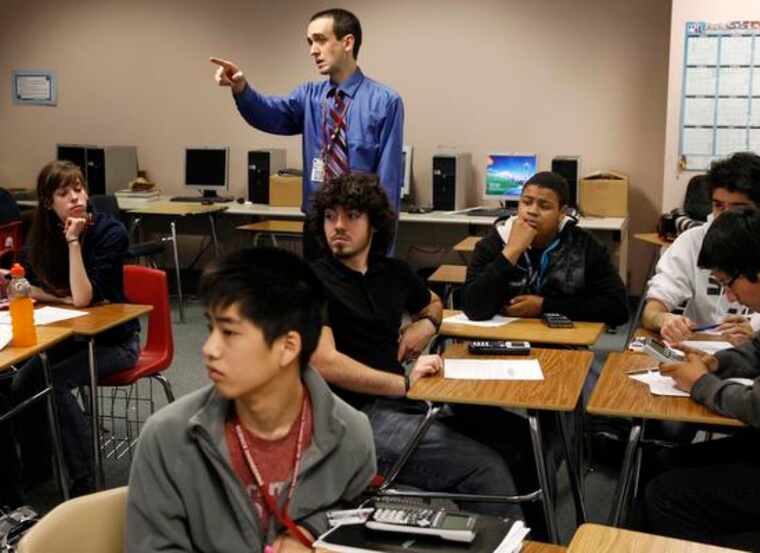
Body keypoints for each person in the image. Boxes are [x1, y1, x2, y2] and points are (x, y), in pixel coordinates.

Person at [127, 248, 375, 553]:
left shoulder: (352, 435)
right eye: (210, 329)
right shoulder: (168, 438)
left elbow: (359, 516)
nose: (209, 348)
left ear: (287, 347)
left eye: (229, 332)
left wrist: (309, 531)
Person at [307, 173, 523, 519]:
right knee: (485, 469)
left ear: (373, 223)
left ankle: (537, 542)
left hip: (405, 403)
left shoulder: (392, 272)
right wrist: (403, 384)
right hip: (355, 418)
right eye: (330, 216)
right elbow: (325, 362)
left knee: (519, 438)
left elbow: (433, 302)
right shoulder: (311, 281)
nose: (338, 226)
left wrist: (424, 326)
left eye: (351, 216)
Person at [640, 208, 760, 545]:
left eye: (729, 283)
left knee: (667, 497)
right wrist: (715, 364)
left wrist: (701, 384)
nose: (729, 297)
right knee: (664, 461)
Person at [211, 8, 404, 260]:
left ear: (348, 42)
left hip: (360, 227)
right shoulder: (309, 97)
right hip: (318, 224)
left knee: (357, 297)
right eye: (310, 42)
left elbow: (388, 180)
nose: (313, 50)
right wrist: (241, 89)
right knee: (316, 295)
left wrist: (382, 251)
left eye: (320, 40)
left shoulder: (385, 101)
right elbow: (269, 115)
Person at [9, 160, 140, 496]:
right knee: (22, 379)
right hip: (69, 338)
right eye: (64, 193)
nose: (75, 198)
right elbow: (40, 288)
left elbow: (81, 298)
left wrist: (73, 242)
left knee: (56, 381)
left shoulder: (110, 231)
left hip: (116, 342)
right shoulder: (42, 232)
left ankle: (85, 481)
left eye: (79, 189)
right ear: (48, 203)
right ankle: (37, 468)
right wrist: (21, 285)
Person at [642, 152, 760, 345]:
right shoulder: (693, 240)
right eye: (718, 206)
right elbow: (652, 310)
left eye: (737, 208)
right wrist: (664, 319)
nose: (724, 217)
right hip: (699, 345)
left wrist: (759, 336)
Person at [463, 171, 629, 327]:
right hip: (500, 339)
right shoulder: (495, 241)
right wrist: (511, 252)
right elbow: (472, 308)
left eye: (544, 206)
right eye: (526, 202)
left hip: (561, 344)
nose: (532, 211)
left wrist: (545, 306)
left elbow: (618, 309)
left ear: (562, 213)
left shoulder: (584, 245)